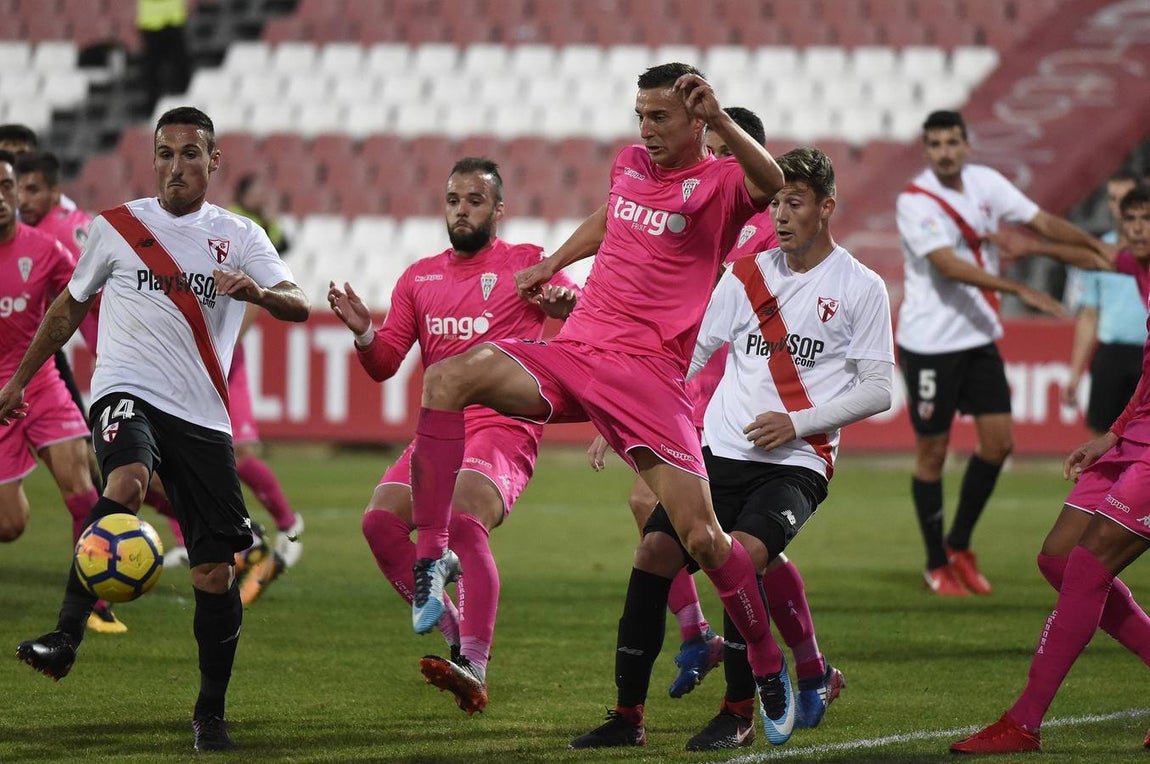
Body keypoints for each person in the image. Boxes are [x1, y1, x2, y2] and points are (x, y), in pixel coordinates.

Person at [406, 62, 792, 739]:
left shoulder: (721, 180)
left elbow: (774, 184)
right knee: (446, 380)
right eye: (640, 114)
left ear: (697, 119)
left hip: (648, 376)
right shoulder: (629, 163)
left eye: (660, 116)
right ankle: (432, 557)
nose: (646, 128)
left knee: (702, 538)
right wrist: (554, 262)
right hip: (578, 352)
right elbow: (612, 218)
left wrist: (726, 119)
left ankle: (765, 664)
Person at [0, 106, 310, 752]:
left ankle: (209, 712)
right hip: (125, 391)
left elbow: (299, 305)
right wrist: (20, 381)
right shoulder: (115, 228)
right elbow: (66, 310)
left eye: (190, 154)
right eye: (165, 154)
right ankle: (65, 635)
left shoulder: (241, 235)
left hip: (201, 414)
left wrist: (253, 291)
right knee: (128, 478)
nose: (176, 166)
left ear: (213, 160)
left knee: (214, 574)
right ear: (154, 161)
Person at [573, 146, 893, 750]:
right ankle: (626, 718)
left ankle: (739, 711)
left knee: (739, 557)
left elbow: (879, 388)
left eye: (795, 203)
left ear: (827, 207)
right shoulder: (745, 273)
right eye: (776, 204)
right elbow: (690, 354)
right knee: (651, 558)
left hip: (796, 463)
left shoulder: (861, 286)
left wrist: (799, 423)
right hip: (716, 455)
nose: (782, 216)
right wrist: (625, 413)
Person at [328, 157, 578, 714]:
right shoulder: (419, 278)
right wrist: (366, 332)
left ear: (498, 210)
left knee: (463, 515)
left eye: (475, 201)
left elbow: (582, 314)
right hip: (440, 431)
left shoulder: (527, 264)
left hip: (503, 428)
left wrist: (565, 305)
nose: (461, 210)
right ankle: (457, 640)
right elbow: (386, 363)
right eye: (453, 200)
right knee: (379, 522)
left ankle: (476, 663)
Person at [951, 185, 1150, 754]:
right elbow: (1091, 252)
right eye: (1129, 219)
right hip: (1134, 433)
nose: (1133, 230)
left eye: (1145, 219)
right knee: (1059, 557)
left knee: (1088, 568)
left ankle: (1024, 721)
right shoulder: (1139, 266)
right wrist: (1113, 433)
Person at [896, 109, 1109, 597]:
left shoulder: (986, 183)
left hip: (977, 337)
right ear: (927, 150)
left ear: (967, 145)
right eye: (936, 144)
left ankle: (959, 545)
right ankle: (935, 564)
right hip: (929, 343)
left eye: (953, 142)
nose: (946, 152)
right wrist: (1020, 289)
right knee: (933, 451)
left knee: (999, 443)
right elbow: (946, 265)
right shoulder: (915, 200)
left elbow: (1043, 222)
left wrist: (1099, 247)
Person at [10, 149, 125, 633]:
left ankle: (91, 597)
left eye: (6, 187)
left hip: (38, 380)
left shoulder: (45, 249)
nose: (5, 198)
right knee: (10, 526)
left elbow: (87, 299)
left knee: (83, 493)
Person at [1064, 171, 1146, 437]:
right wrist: (1075, 373)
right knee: (1101, 440)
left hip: (1146, 352)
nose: (1118, 206)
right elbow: (1089, 314)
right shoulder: (1100, 251)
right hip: (1111, 354)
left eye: (1125, 198)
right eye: (1112, 199)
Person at [136, 0, 192, 113]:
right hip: (153, 20)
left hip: (171, 18)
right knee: (152, 68)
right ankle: (153, 105)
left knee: (179, 62)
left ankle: (186, 97)